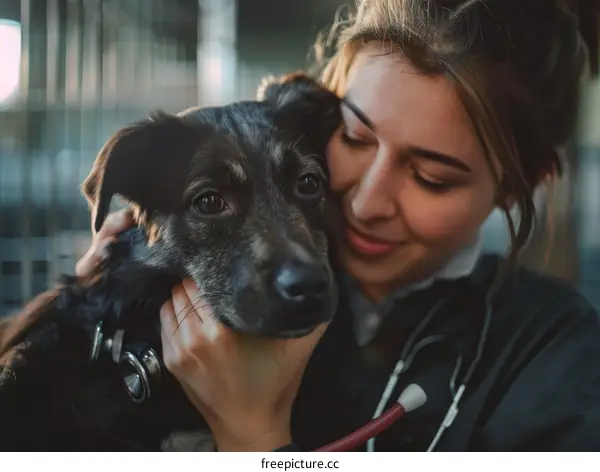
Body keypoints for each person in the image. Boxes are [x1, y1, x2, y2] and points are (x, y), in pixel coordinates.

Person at [75, 0, 600, 451]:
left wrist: (253, 437)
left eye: (432, 177)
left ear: (520, 184)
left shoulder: (555, 354)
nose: (367, 203)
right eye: (353, 137)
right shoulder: (237, 265)